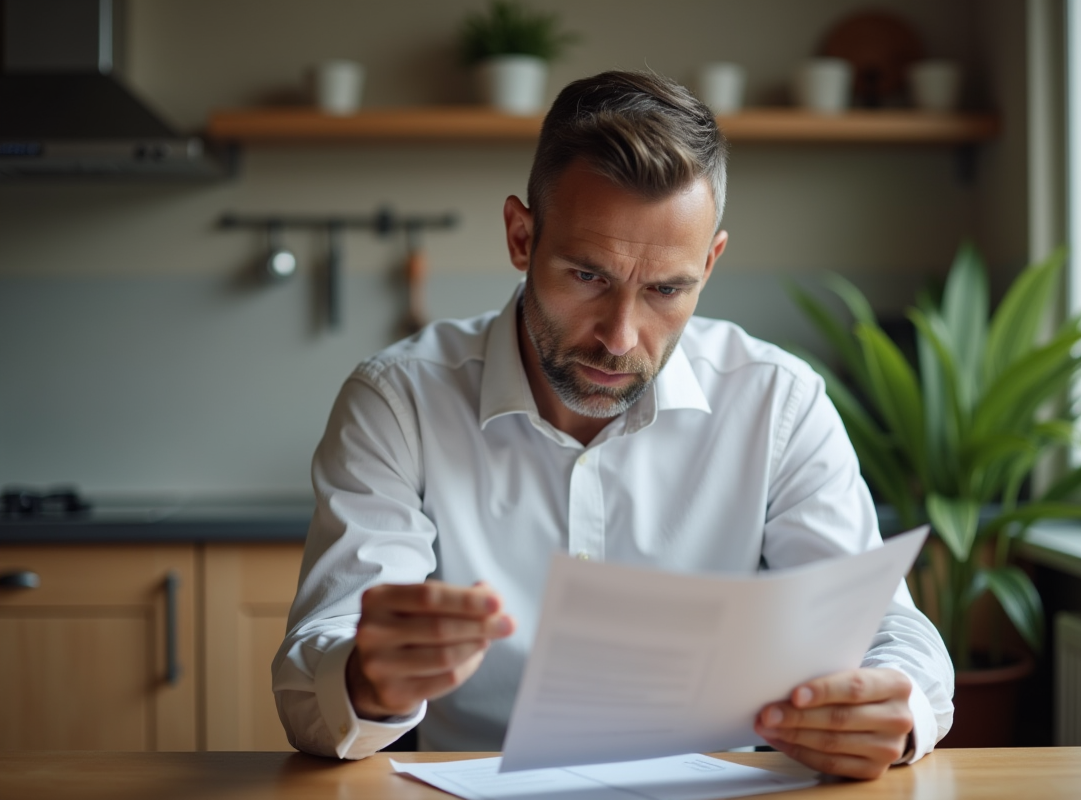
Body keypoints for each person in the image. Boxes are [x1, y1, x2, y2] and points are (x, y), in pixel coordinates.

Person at [273, 70, 954, 780]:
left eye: (666, 289)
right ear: (521, 236)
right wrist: (365, 679)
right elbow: (311, 677)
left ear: (709, 264)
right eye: (588, 277)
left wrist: (894, 705)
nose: (621, 337)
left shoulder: (778, 403)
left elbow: (889, 629)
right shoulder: (399, 402)